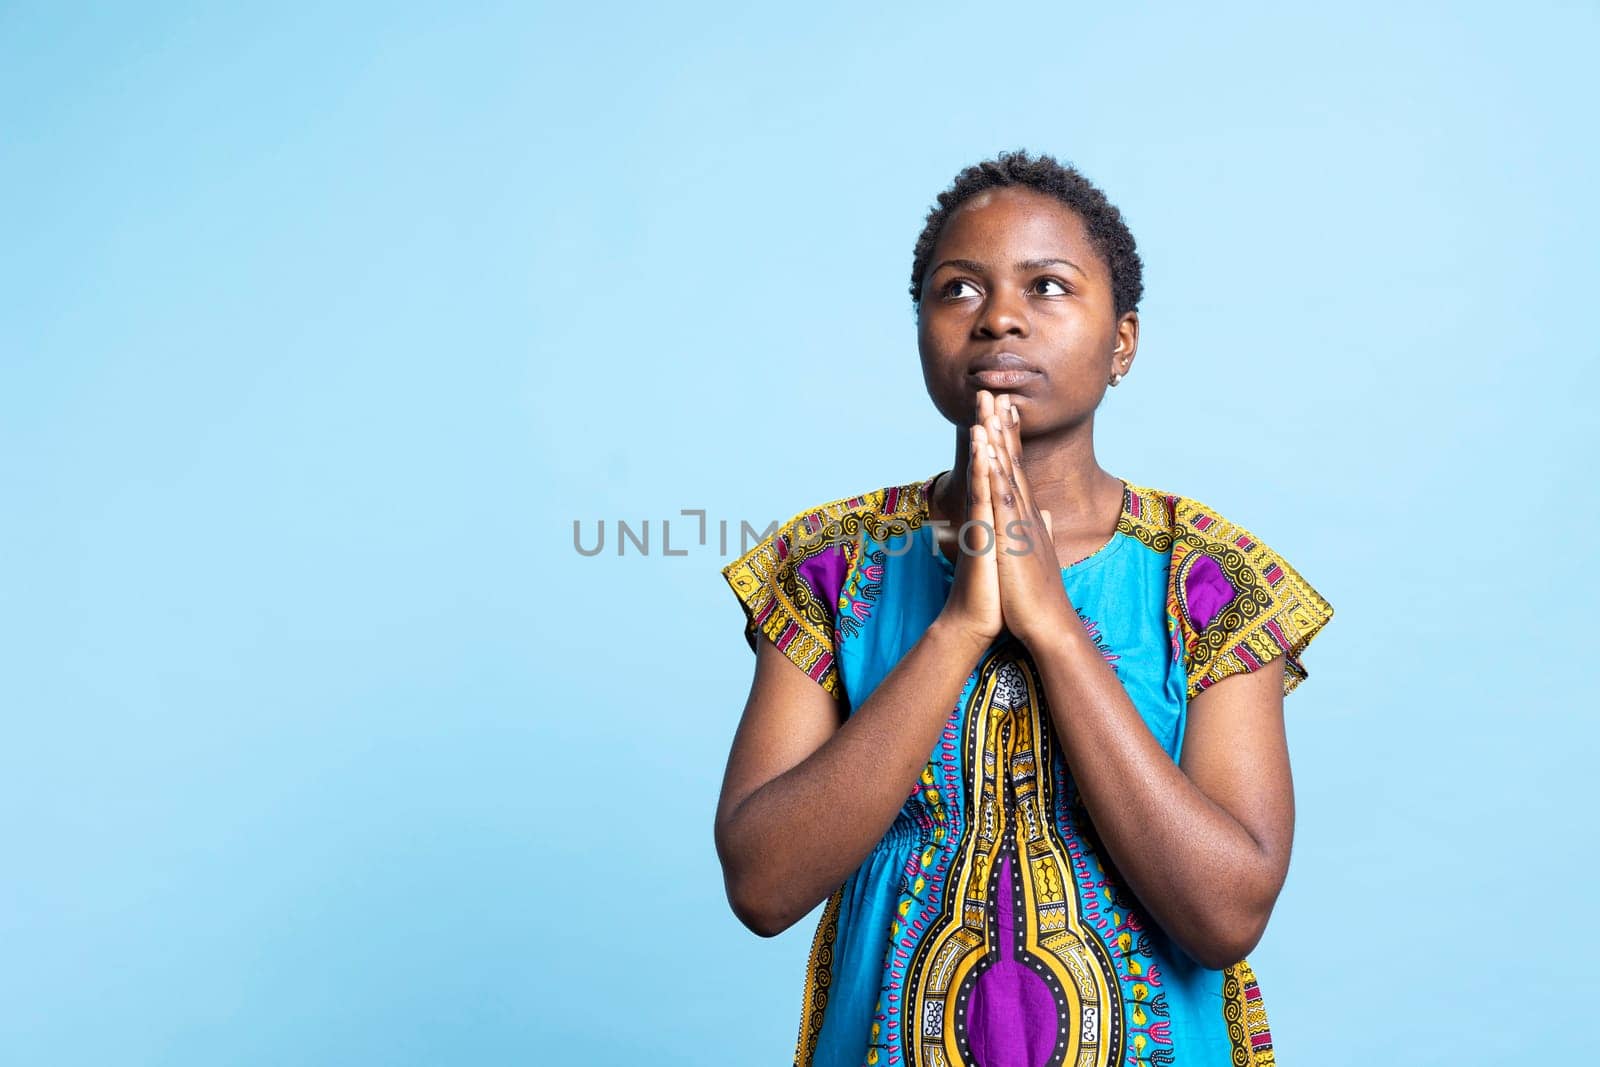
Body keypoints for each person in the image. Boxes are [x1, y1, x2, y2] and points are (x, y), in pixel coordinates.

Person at [713, 149, 1333, 1067]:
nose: (999, 316)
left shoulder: (1210, 579)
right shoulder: (830, 568)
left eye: (1047, 287)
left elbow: (1226, 913)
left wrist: (1049, 622)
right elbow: (763, 885)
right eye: (957, 290)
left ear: (1122, 342)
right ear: (921, 330)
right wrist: (962, 623)